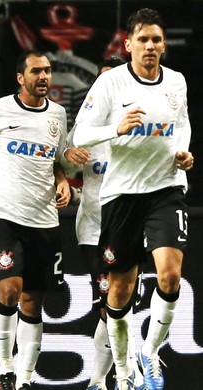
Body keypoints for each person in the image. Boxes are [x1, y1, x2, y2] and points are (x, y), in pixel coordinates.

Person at [72, 8, 193, 390]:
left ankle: (151, 353)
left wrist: (182, 152)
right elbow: (79, 136)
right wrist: (116, 128)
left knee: (170, 275)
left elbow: (182, 123)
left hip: (165, 188)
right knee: (120, 291)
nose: (151, 46)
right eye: (143, 40)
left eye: (157, 39)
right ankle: (123, 374)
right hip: (122, 194)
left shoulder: (176, 82)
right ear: (128, 45)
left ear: (163, 45)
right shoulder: (111, 85)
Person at [0, 50, 70, 390]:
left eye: (48, 71)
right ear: (20, 78)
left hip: (45, 221)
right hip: (4, 217)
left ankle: (23, 380)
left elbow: (56, 160)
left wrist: (63, 179)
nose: (43, 77)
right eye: (36, 71)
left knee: (33, 301)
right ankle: (5, 367)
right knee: (9, 289)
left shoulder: (58, 114)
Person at [65, 57, 146, 390]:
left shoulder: (141, 127)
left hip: (127, 229)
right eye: (101, 83)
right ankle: (126, 375)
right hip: (93, 229)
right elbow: (64, 168)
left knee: (119, 306)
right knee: (108, 305)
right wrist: (67, 163)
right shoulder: (85, 129)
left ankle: (100, 380)